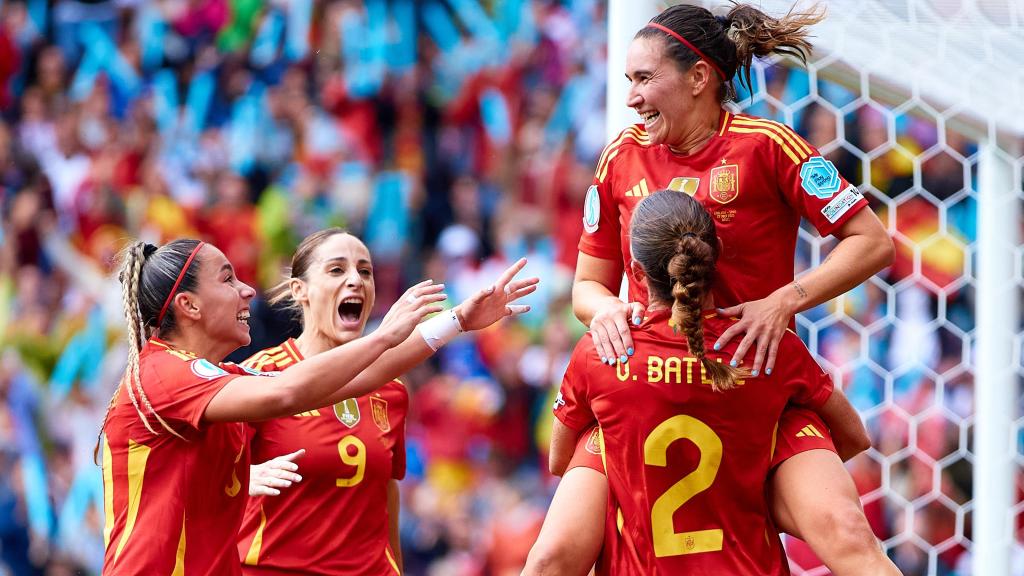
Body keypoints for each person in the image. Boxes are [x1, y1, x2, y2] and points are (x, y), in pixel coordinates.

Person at [526, 3, 899, 575]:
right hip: (648, 393)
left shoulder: (768, 147)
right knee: (551, 556)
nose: (631, 98)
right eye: (629, 80)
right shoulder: (619, 158)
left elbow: (871, 241)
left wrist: (784, 301)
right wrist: (603, 312)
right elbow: (587, 286)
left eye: (645, 79)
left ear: (699, 77)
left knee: (847, 534)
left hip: (757, 391)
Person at [547, 190, 860, 573]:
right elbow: (855, 437)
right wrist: (763, 480)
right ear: (718, 253)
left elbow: (559, 460)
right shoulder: (767, 348)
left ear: (638, 272)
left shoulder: (601, 354)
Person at [99, 238, 446, 574]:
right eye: (227, 278)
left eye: (365, 271)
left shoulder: (222, 378)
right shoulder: (164, 373)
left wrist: (457, 321)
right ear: (189, 305)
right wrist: (384, 336)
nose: (248, 289)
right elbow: (287, 391)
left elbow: (347, 382)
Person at [234, 228, 538, 575]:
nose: (355, 281)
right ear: (299, 290)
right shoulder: (259, 377)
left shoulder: (390, 391)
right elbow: (208, 482)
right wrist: (243, 475)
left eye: (365, 271)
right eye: (337, 270)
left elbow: (385, 497)